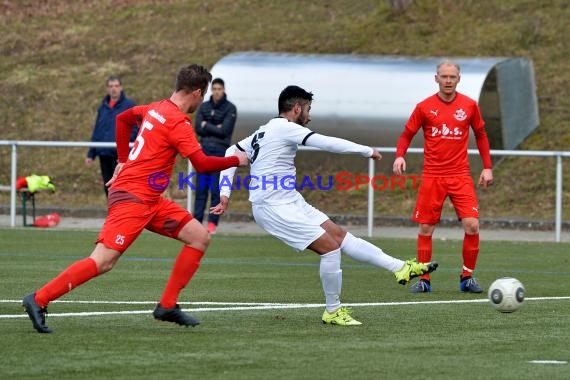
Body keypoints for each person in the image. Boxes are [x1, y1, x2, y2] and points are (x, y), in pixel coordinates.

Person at [22, 64, 248, 333]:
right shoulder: (179, 122)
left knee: (199, 237)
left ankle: (167, 305)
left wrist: (122, 160)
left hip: (151, 200)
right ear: (198, 93)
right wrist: (237, 159)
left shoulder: (154, 107)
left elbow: (122, 120)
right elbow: (201, 163)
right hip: (133, 198)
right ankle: (38, 299)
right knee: (103, 260)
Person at [211, 85, 438, 326]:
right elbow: (326, 143)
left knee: (339, 236)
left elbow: (230, 151)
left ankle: (401, 268)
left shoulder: (264, 131)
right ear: (296, 108)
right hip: (272, 206)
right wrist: (365, 151)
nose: (309, 115)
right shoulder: (286, 129)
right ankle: (333, 310)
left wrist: (225, 193)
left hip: (290, 200)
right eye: (308, 109)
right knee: (330, 249)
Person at [392, 60, 494, 294]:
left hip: (460, 175)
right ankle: (424, 279)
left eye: (452, 77)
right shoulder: (424, 106)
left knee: (472, 226)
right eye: (444, 77)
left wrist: (487, 167)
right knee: (426, 229)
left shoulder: (469, 105)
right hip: (433, 176)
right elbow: (406, 134)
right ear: (436, 78)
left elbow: (481, 135)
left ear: (459, 79)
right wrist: (399, 156)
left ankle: (467, 277)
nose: (448, 81)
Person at [193, 78, 237, 234]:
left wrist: (207, 125)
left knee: (215, 190)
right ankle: (196, 223)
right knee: (200, 190)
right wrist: (214, 127)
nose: (217, 91)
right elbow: (198, 127)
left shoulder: (231, 108)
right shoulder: (204, 106)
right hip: (203, 153)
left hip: (220, 154)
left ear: (223, 90)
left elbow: (224, 131)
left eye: (219, 89)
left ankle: (212, 223)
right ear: (211, 90)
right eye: (214, 89)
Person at [85, 75, 138, 198]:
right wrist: (91, 153)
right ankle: (112, 213)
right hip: (104, 153)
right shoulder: (102, 107)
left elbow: (136, 128)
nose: (113, 89)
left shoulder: (129, 105)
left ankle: (121, 214)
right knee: (108, 186)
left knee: (120, 186)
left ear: (121, 87)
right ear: (107, 89)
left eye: (116, 86)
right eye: (111, 86)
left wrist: (125, 143)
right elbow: (98, 129)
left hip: (120, 155)